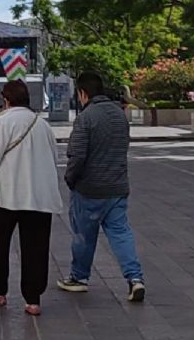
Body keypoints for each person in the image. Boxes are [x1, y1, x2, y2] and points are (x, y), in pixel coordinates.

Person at [0, 80, 62, 316]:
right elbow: (54, 159)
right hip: (39, 197)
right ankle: (33, 299)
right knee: (36, 247)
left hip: (7, 195)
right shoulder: (42, 125)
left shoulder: (4, 122)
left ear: (6, 100)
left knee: (0, 244)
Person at [57, 72, 146, 303]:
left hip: (89, 187)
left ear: (83, 93)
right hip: (117, 186)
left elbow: (77, 154)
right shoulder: (119, 115)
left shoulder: (86, 118)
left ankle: (79, 278)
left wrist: (70, 178)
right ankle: (135, 278)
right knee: (121, 233)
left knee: (84, 235)